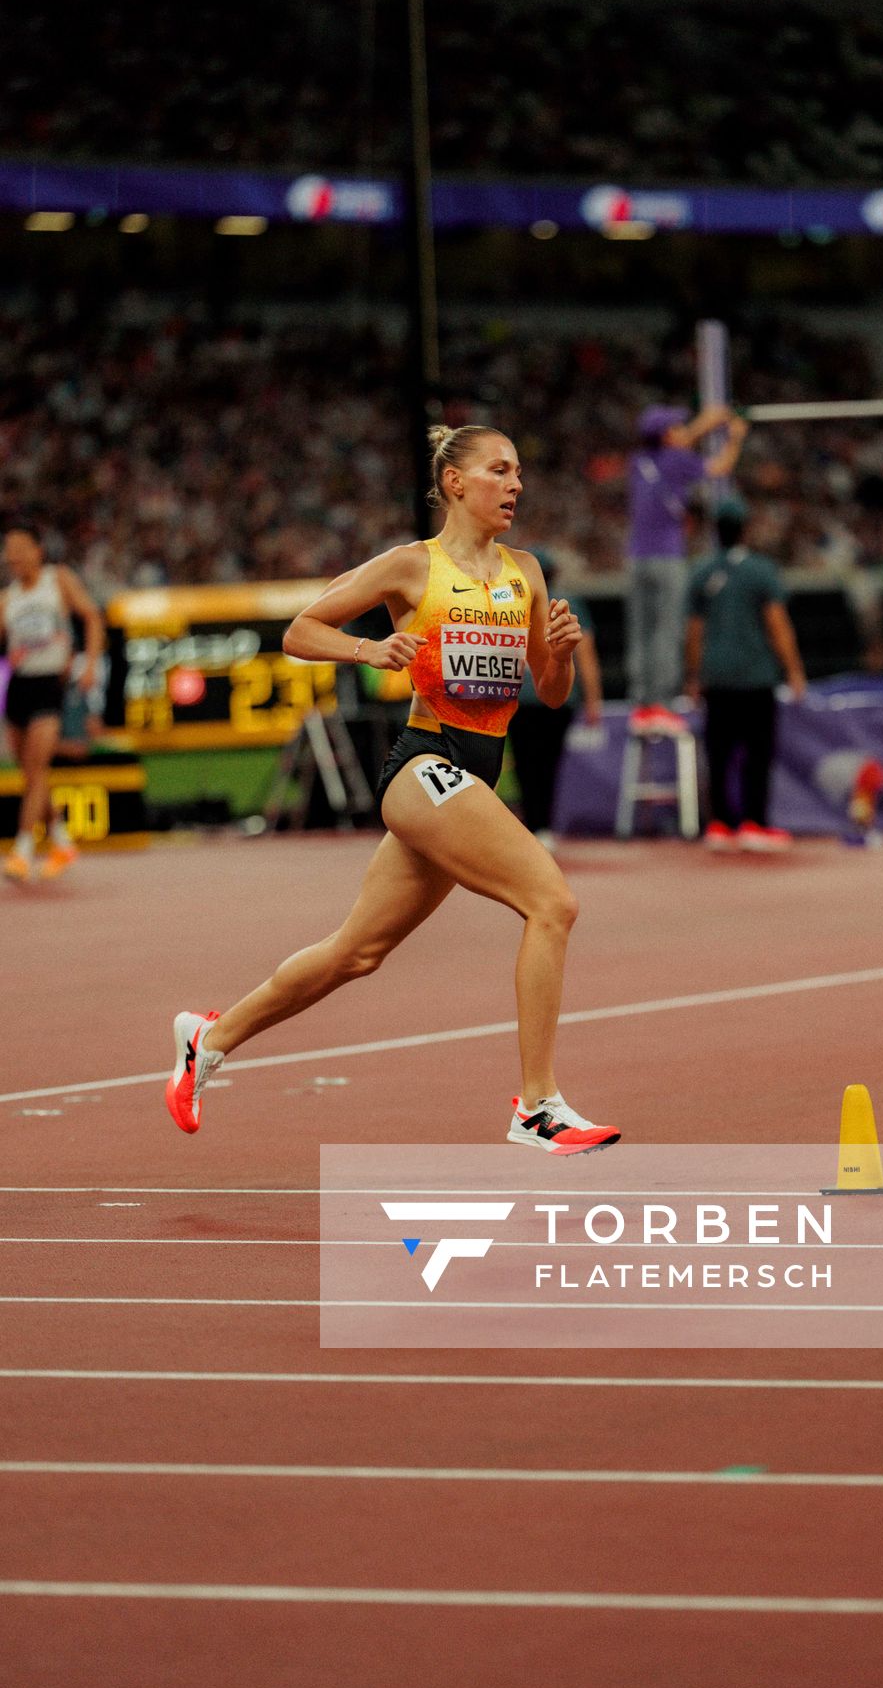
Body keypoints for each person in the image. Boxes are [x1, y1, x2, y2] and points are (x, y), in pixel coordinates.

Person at [165, 424, 619, 1155]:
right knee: (552, 900)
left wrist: (560, 656)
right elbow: (300, 630)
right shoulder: (413, 567)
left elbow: (552, 692)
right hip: (421, 765)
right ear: (456, 484)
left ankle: (208, 1040)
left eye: (520, 472)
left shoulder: (526, 573)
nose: (516, 485)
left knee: (356, 953)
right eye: (500, 471)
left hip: (470, 776)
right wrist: (369, 648)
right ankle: (537, 1106)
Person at [684, 496, 807, 852]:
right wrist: (794, 670)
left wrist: (693, 676)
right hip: (756, 676)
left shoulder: (702, 572)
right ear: (745, 531)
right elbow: (777, 624)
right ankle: (755, 823)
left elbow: (694, 632)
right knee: (758, 752)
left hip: (717, 678)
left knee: (719, 752)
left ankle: (720, 825)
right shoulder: (762, 571)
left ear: (716, 532)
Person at [626, 402, 747, 732]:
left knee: (642, 633)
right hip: (666, 557)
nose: (684, 431)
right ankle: (662, 704)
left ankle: (641, 703)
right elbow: (720, 467)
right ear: (667, 435)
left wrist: (704, 424)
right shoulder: (677, 460)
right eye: (678, 427)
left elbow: (674, 443)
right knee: (666, 632)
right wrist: (734, 437)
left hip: (637, 558)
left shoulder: (638, 461)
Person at [1, 526, 105, 883]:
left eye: (20, 548)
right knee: (29, 773)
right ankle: (61, 840)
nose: (13, 556)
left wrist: (90, 664)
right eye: (8, 550)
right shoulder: (7, 598)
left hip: (50, 685)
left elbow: (92, 617)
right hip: (19, 687)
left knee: (36, 768)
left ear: (38, 549)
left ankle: (23, 849)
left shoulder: (57, 580)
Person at [508, 550, 603, 849]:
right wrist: (593, 700)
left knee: (525, 762)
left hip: (522, 696)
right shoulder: (569, 602)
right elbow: (586, 655)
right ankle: (543, 824)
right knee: (548, 761)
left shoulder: (513, 599)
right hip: (556, 699)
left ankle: (534, 823)